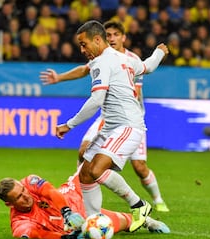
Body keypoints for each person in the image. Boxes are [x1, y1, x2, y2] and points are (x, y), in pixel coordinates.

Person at [40, 21, 169, 212]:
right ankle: (93, 219)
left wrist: (69, 124)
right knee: (85, 173)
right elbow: (147, 66)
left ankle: (139, 205)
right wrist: (159, 52)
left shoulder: (102, 62)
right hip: (111, 126)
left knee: (98, 170)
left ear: (98, 40)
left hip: (127, 125)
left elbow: (97, 99)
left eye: (84, 44)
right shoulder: (121, 59)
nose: (82, 50)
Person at [0, 167, 170, 239]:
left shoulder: (30, 181)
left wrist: (66, 211)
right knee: (122, 223)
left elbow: (50, 191)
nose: (25, 196)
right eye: (18, 197)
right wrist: (68, 238)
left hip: (72, 195)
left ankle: (138, 205)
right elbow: (39, 234)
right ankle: (146, 221)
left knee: (91, 163)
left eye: (23, 190)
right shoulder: (20, 224)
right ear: (9, 204)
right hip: (79, 222)